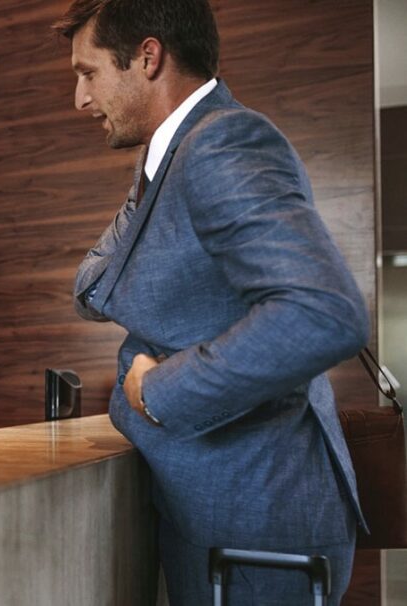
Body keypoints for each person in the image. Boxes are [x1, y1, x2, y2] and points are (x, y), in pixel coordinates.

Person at [54, 0, 369, 602]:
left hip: (255, 526)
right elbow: (91, 289)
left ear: (147, 57)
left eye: (88, 72)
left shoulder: (223, 141)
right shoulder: (168, 155)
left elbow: (323, 313)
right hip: (225, 512)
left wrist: (160, 390)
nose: (81, 98)